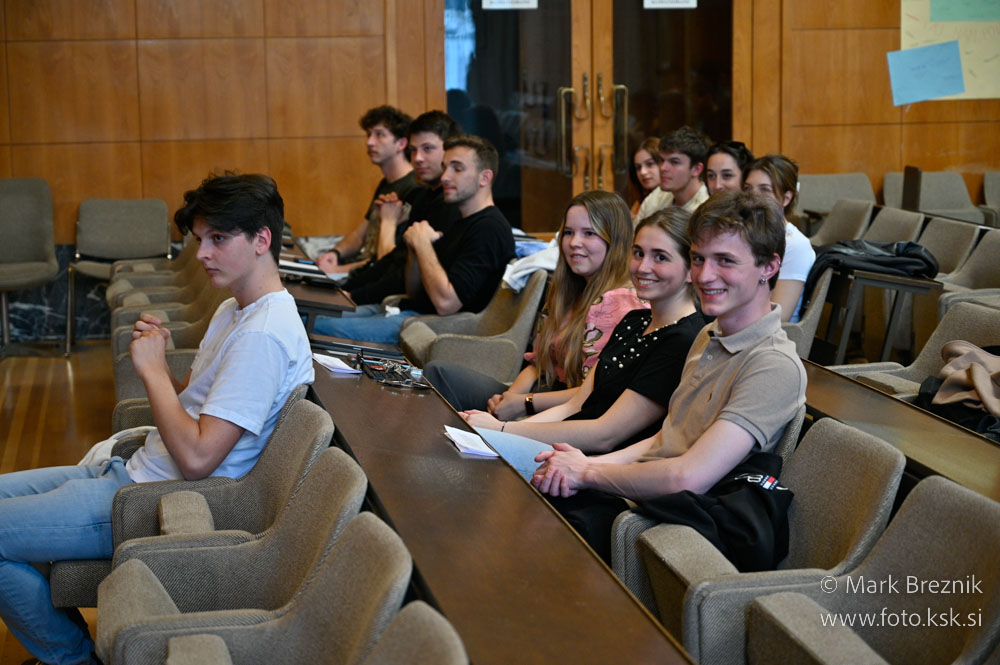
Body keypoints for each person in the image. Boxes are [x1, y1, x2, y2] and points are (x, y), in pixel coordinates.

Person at [0, 173, 314, 665]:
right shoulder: (236, 311)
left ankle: (72, 659)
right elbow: (190, 404)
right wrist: (162, 363)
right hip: (131, 473)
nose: (202, 253)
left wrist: (149, 373)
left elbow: (198, 458)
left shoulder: (263, 336)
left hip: (149, 500)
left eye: (218, 239)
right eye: (199, 239)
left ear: (261, 240)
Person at [530, 191, 807, 562]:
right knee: (528, 492)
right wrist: (584, 464)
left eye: (725, 261)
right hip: (641, 495)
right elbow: (667, 436)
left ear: (769, 267)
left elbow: (688, 477)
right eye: (698, 258)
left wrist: (588, 473)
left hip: (675, 526)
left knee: (535, 531)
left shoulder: (773, 364)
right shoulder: (709, 335)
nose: (704, 276)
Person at [461, 208, 708, 478]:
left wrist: (502, 431)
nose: (642, 267)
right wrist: (505, 431)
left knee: (472, 459)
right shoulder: (634, 320)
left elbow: (606, 434)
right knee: (463, 441)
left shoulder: (683, 339)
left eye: (660, 257)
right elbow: (575, 405)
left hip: (596, 464)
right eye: (638, 253)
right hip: (569, 444)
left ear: (691, 270)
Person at [425, 190, 646, 413]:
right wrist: (508, 400)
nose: (574, 242)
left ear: (615, 240)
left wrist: (523, 404)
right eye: (568, 232)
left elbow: (593, 394)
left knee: (439, 377)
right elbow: (538, 365)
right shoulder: (567, 291)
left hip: (571, 413)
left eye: (589, 233)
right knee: (438, 373)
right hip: (540, 394)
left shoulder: (621, 303)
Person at [313, 135, 514, 344]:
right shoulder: (460, 222)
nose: (445, 177)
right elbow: (413, 289)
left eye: (457, 169)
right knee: (310, 314)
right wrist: (414, 250)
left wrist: (423, 245)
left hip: (432, 329)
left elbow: (446, 304)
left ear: (484, 178)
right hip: (407, 312)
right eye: (445, 167)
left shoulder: (489, 228)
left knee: (312, 325)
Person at [338, 110, 462, 306]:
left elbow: (399, 273)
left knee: (316, 320)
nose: (418, 158)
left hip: (407, 307)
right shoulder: (422, 196)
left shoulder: (448, 204)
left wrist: (354, 297)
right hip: (380, 290)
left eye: (428, 149)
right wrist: (344, 290)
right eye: (413, 150)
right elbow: (391, 261)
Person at [316, 105, 418, 274]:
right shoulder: (385, 183)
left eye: (379, 135)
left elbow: (389, 259)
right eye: (369, 134)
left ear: (401, 143)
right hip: (362, 269)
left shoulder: (413, 187)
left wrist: (337, 270)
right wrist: (335, 253)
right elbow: (360, 235)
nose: (369, 142)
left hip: (376, 275)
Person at [742, 154, 816, 323]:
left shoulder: (795, 244)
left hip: (770, 333)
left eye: (764, 190)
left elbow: (779, 315)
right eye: (747, 188)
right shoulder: (745, 234)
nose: (752, 197)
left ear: (786, 198)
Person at [636, 125, 711, 221]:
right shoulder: (657, 196)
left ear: (696, 169)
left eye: (674, 162)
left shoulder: (706, 211)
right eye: (661, 160)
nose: (663, 168)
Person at [627, 137, 663, 218]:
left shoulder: (672, 199)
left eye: (649, 164)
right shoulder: (639, 203)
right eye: (638, 167)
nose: (643, 172)